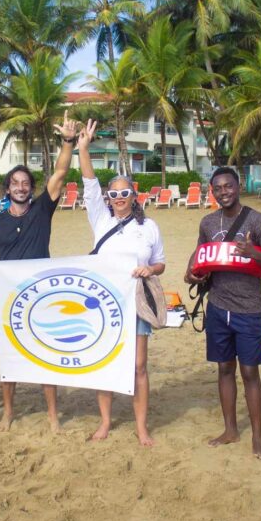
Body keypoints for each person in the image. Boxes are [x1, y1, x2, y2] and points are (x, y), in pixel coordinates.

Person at [0, 113, 80, 433]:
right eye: (15, 183)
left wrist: (67, 142)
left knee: (46, 357)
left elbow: (60, 172)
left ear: (31, 188)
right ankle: (8, 413)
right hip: (10, 299)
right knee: (9, 360)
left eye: (25, 183)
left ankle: (52, 416)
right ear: (7, 188)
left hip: (43, 296)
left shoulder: (41, 209)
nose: (20, 187)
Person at [77, 120, 165, 446]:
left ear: (133, 195)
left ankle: (142, 427)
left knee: (139, 367)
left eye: (124, 192)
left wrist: (150, 271)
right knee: (106, 363)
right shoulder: (100, 218)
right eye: (113, 193)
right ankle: (105, 422)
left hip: (137, 301)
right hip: (104, 302)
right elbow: (88, 183)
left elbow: (160, 262)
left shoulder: (150, 227)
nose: (118, 198)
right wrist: (83, 148)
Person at [184, 166, 261, 458]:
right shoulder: (208, 222)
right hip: (217, 306)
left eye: (228, 186)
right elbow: (198, 256)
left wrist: (253, 253)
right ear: (212, 192)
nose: (223, 192)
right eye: (218, 188)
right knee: (224, 369)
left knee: (250, 372)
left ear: (238, 187)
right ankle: (230, 429)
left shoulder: (257, 219)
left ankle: (258, 437)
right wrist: (192, 275)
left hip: (250, 308)